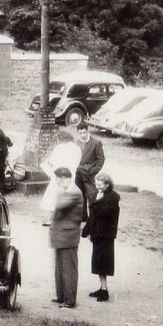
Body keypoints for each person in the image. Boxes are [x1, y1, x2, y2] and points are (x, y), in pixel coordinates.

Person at [45, 165, 87, 308]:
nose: (56, 182)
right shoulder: (67, 191)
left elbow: (58, 205)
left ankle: (69, 300)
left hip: (68, 235)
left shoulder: (73, 192)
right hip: (62, 235)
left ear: (65, 178)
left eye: (57, 179)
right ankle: (61, 296)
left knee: (68, 268)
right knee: (60, 268)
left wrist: (57, 192)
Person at [84, 174, 120, 302]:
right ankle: (102, 287)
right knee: (98, 261)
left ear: (107, 184)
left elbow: (102, 213)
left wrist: (97, 201)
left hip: (106, 235)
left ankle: (104, 290)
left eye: (100, 185)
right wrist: (87, 231)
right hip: (97, 233)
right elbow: (92, 215)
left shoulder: (114, 197)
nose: (97, 186)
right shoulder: (98, 194)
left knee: (104, 262)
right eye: (96, 184)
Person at [73, 120, 107, 213]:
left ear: (88, 131)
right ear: (78, 133)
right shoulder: (76, 143)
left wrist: (94, 170)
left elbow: (101, 159)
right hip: (78, 173)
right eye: (80, 133)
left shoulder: (96, 143)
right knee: (80, 195)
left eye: (84, 132)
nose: (82, 135)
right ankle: (83, 216)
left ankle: (94, 217)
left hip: (89, 174)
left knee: (92, 196)